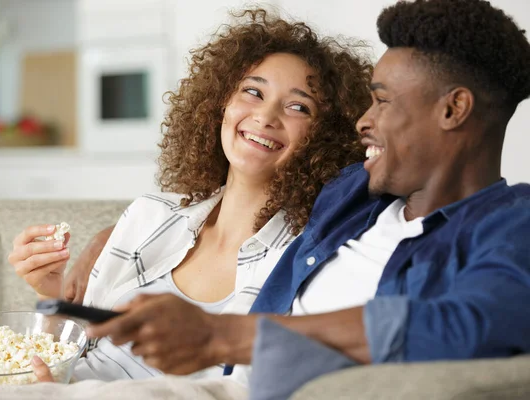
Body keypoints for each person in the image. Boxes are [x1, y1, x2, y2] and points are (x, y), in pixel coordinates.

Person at [52, 0, 530, 395]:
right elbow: (249, 187)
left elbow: (471, 324)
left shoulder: (511, 224)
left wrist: (225, 336)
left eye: (382, 101)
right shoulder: (352, 194)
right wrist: (110, 237)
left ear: (454, 108)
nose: (363, 121)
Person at [5, 8, 372, 383]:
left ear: (326, 135)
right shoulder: (148, 215)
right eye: (253, 91)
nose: (265, 116)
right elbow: (66, 362)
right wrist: (51, 295)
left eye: (298, 106)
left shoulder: (301, 259)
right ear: (220, 104)